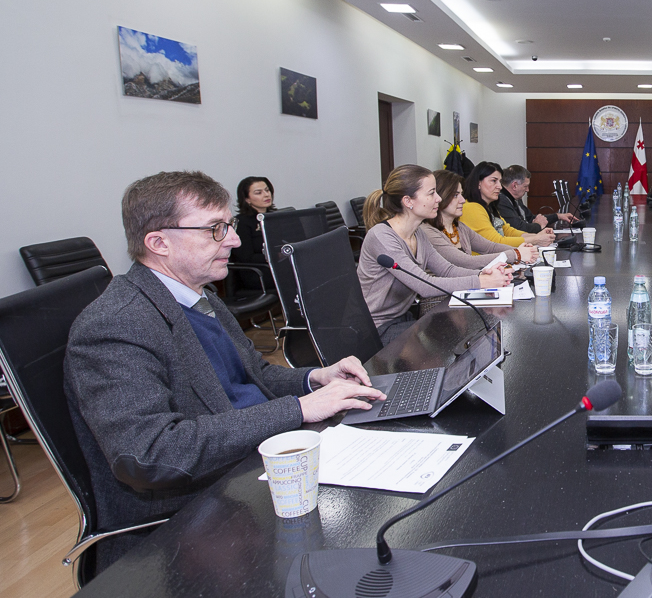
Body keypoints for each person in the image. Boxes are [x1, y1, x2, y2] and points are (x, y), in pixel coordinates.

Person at [64, 171, 385, 572]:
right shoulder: (115, 325)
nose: (233, 240)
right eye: (215, 229)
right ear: (159, 243)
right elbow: (152, 454)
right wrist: (300, 409)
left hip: (249, 467)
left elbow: (253, 375)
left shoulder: (199, 295)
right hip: (194, 518)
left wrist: (314, 379)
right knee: (361, 541)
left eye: (229, 225)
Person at [358, 164, 513, 344]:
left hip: (402, 317)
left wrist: (483, 274)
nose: (439, 199)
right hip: (375, 328)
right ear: (408, 201)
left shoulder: (418, 233)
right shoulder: (382, 237)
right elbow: (424, 285)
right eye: (432, 193)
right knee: (448, 339)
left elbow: (447, 270)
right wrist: (481, 282)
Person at [424, 169, 540, 268]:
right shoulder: (428, 232)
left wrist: (520, 249)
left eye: (461, 194)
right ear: (440, 197)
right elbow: (465, 261)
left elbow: (489, 247)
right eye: (455, 195)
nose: (462, 200)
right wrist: (516, 254)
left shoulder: (460, 228)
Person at [461, 161, 555, 248]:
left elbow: (508, 231)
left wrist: (537, 236)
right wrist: (536, 239)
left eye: (500, 181)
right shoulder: (471, 208)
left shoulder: (489, 206)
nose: (499, 186)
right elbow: (496, 242)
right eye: (494, 181)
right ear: (478, 183)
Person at [498, 165, 577, 233]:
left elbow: (530, 219)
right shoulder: (501, 201)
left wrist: (557, 216)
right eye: (525, 186)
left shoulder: (515, 198)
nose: (527, 190)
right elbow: (519, 228)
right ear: (515, 185)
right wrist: (538, 225)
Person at [230, 176, 277, 289]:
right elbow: (246, 257)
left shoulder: (275, 218)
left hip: (277, 266)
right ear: (247, 199)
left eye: (267, 190)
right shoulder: (242, 222)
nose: (266, 195)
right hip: (258, 272)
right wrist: (276, 255)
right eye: (258, 193)